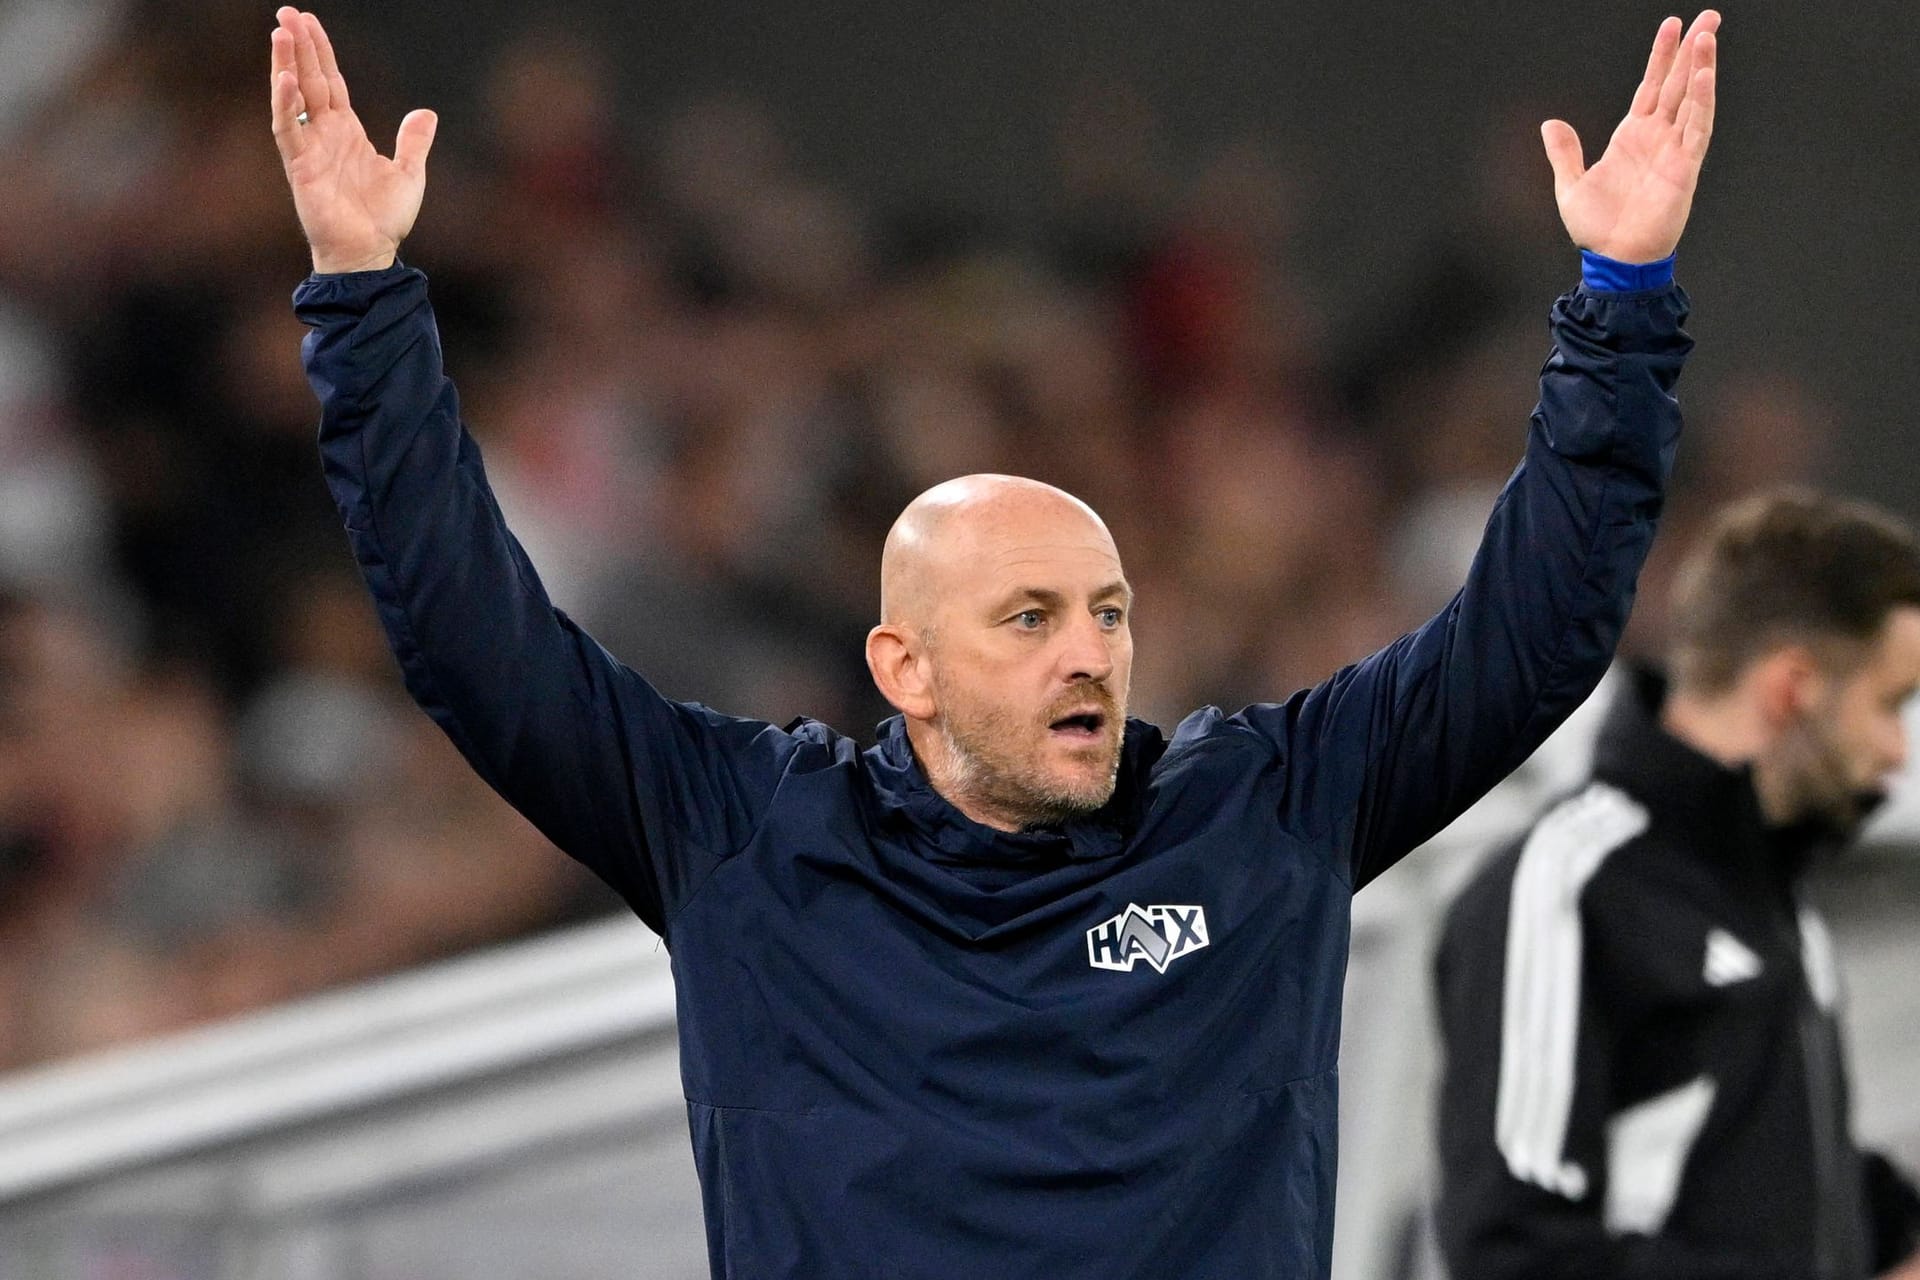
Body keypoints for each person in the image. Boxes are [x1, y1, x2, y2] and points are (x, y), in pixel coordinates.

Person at [269, 6, 1718, 1276]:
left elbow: (1531, 634)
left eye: (1109, 613)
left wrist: (1623, 301)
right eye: (1029, 618)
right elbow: (476, 645)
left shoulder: (1258, 813)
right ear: (902, 667)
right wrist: (363, 295)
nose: (1090, 651)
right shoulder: (749, 837)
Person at [1432, 490, 1920, 1280]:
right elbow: (1515, 1252)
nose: (1899, 749)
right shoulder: (1566, 885)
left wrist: (1897, 1236)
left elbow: (1766, 1182)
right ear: (1793, 687)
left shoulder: (1775, 896)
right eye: (1891, 704)